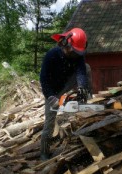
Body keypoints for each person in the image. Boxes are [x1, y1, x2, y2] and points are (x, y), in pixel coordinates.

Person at [39, 27, 92, 160]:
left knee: (86, 68)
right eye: (73, 51)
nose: (76, 54)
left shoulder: (78, 55)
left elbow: (80, 72)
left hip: (66, 83)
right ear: (66, 44)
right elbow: (44, 79)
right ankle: (44, 153)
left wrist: (82, 87)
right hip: (51, 90)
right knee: (49, 123)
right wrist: (51, 97)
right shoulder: (52, 55)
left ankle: (86, 98)